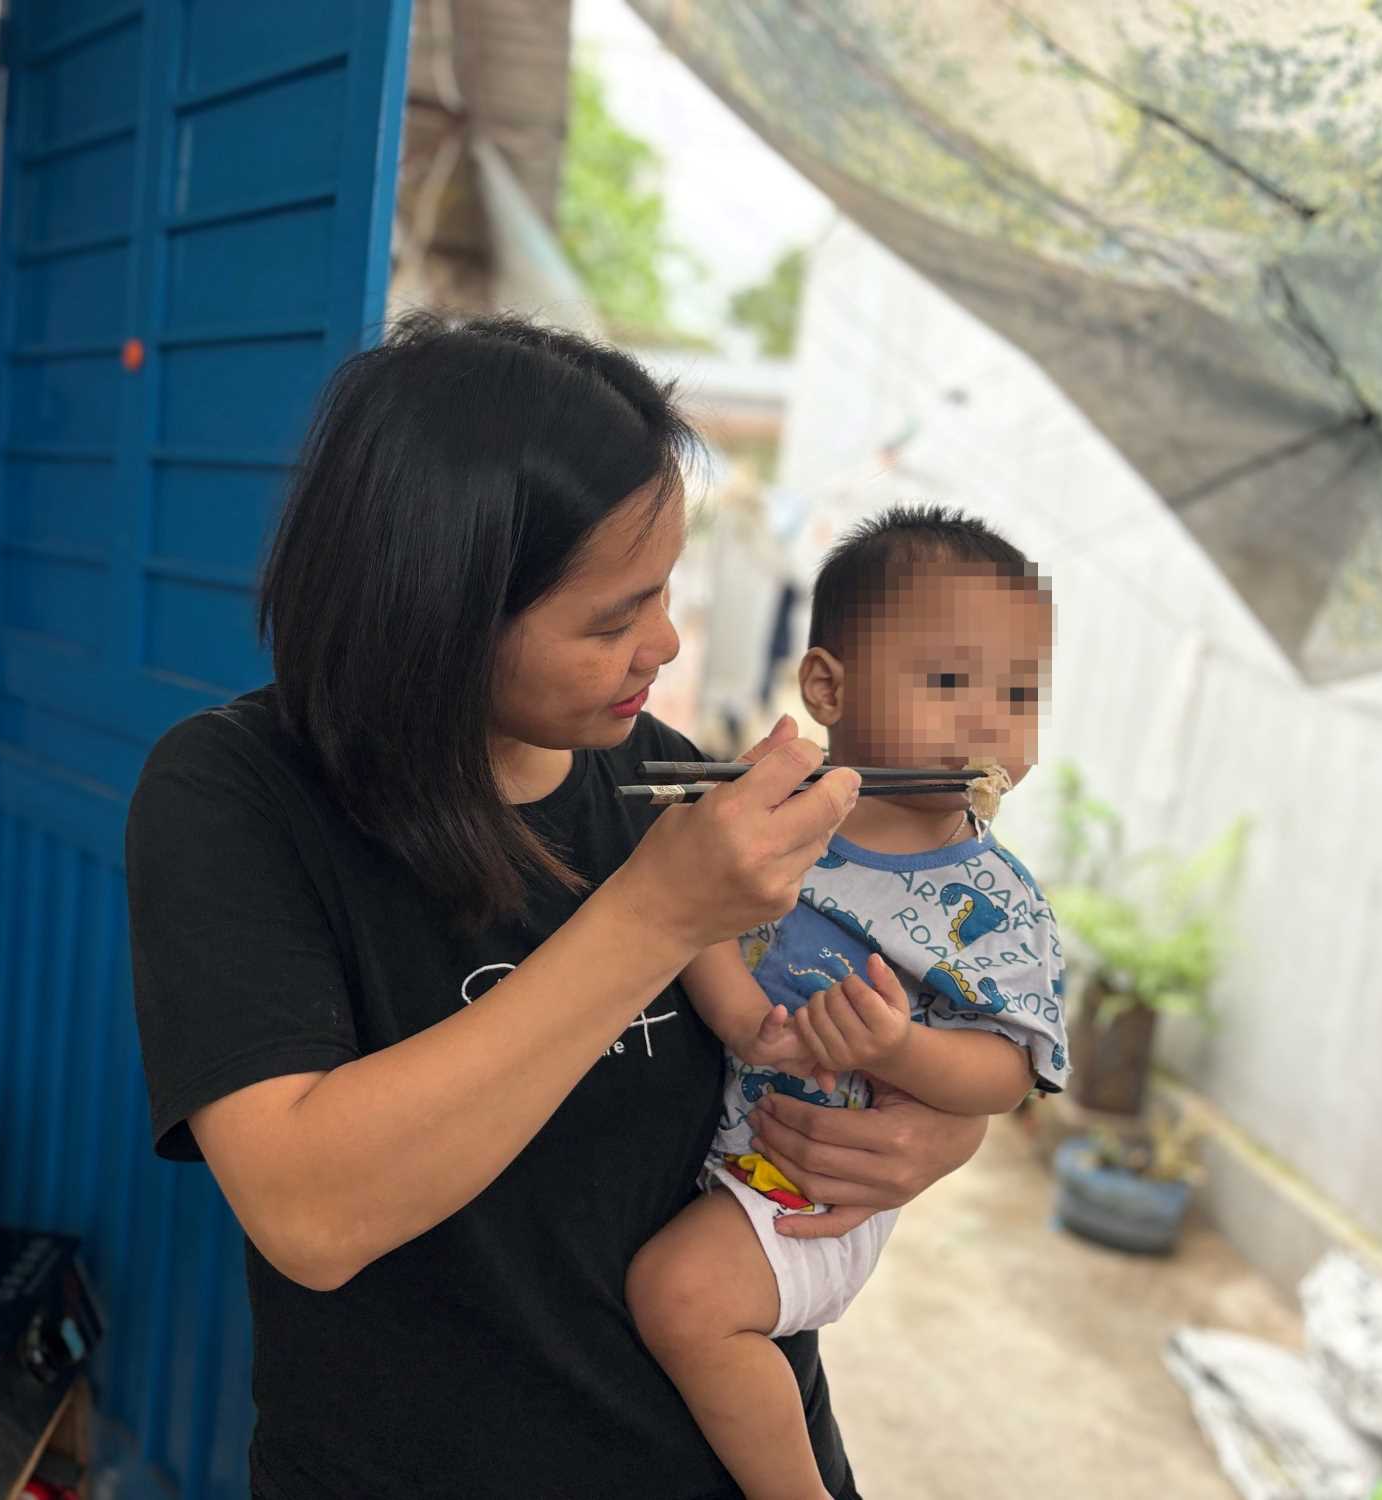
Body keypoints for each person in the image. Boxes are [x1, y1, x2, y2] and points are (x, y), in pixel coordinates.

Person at [124, 317, 991, 1500]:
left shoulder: (672, 783)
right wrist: (652, 919)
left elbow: (834, 1056)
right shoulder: (237, 795)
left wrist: (924, 1129)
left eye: (665, 591)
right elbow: (310, 1212)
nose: (666, 640)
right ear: (434, 610)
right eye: (608, 619)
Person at [626, 507, 1069, 1500]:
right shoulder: (771, 819)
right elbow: (688, 924)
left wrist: (899, 1050)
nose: (989, 722)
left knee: (680, 1297)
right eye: (949, 682)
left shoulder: (993, 901)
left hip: (811, 1182)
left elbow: (1008, 1071)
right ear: (827, 686)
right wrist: (740, 1013)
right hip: (710, 1146)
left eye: (1019, 693)